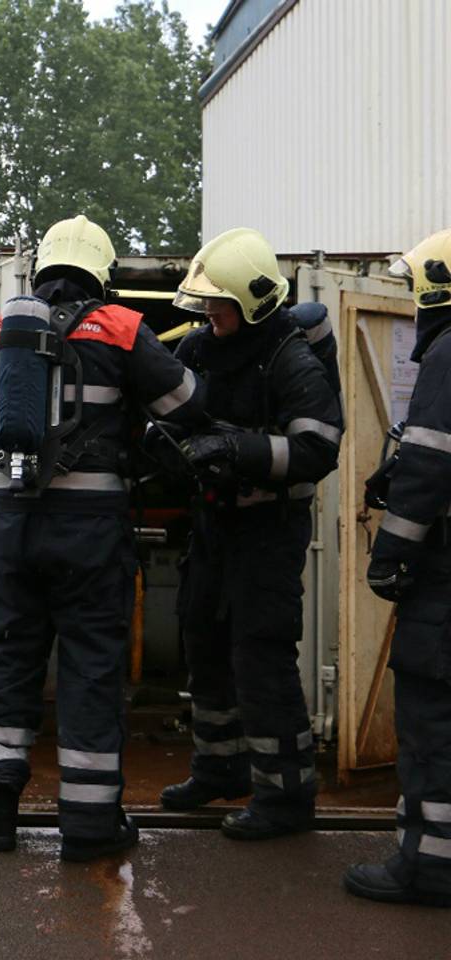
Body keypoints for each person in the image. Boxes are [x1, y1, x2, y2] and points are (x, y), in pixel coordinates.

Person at [0, 215, 207, 859]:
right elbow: (186, 404)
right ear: (101, 273)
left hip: (13, 528)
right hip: (90, 534)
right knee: (91, 667)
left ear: (42, 269)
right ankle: (91, 827)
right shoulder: (121, 327)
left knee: (8, 656)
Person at [159, 227, 342, 841]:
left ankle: (286, 796)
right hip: (214, 525)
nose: (209, 313)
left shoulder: (290, 357)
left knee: (261, 657)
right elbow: (170, 407)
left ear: (254, 303)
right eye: (207, 302)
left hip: (268, 530)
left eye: (221, 303)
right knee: (203, 639)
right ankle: (220, 767)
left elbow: (319, 447)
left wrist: (239, 450)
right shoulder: (201, 347)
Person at [343, 228, 451, 906]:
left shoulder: (448, 352)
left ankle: (429, 867)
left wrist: (390, 554)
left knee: (432, 720)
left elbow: (432, 463)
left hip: (444, 580)